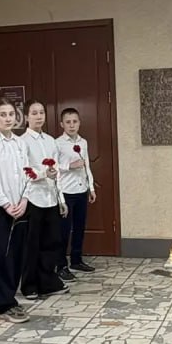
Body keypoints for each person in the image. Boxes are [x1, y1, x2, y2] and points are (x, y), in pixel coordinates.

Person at [0, 99, 32, 323]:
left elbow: (28, 173)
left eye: (11, 114)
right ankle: (4, 303)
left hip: (19, 206)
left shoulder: (20, 143)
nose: (8, 118)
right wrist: (5, 204)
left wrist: (25, 199)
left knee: (16, 255)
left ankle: (3, 299)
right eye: (3, 114)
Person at [19, 100, 68, 299]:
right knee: (32, 244)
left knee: (51, 242)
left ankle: (48, 282)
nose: (39, 116)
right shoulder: (22, 142)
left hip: (51, 197)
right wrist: (42, 174)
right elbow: (23, 171)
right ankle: (29, 284)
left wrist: (61, 198)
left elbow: (57, 172)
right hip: (32, 197)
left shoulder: (50, 141)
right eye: (34, 113)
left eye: (41, 112)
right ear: (26, 117)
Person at [57, 106, 97, 280]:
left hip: (81, 190)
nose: (72, 125)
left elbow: (87, 165)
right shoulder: (57, 143)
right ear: (62, 124)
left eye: (74, 122)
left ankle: (76, 260)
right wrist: (69, 166)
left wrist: (91, 187)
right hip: (66, 192)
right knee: (64, 231)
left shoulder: (83, 142)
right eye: (68, 122)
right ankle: (61, 265)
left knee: (79, 227)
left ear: (79, 123)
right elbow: (53, 167)